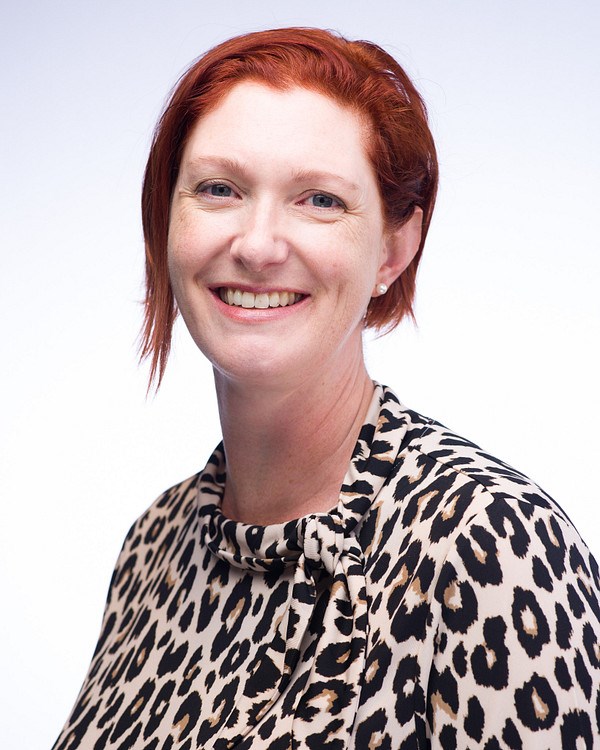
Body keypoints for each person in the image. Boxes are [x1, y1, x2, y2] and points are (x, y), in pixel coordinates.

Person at [53, 27, 599, 749]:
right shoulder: (155, 547)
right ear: (166, 220)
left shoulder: (488, 547)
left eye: (319, 201)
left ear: (395, 249)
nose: (256, 243)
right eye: (219, 189)